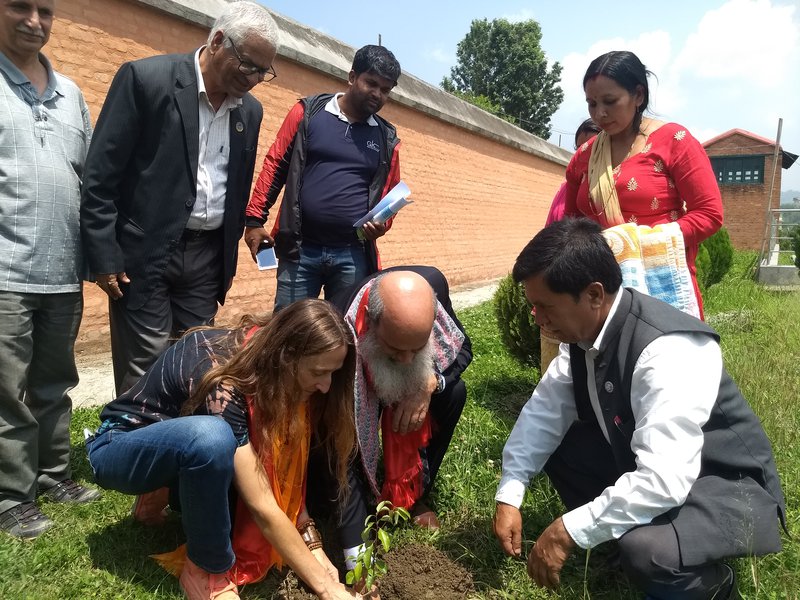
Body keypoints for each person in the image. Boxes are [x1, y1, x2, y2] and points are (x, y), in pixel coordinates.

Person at [493, 218, 786, 599]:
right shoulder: (583, 339)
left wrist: (568, 530)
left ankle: (715, 585)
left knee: (648, 553)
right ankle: (622, 531)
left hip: (721, 485)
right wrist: (509, 494)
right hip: (663, 467)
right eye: (534, 307)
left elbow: (665, 479)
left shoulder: (667, 350)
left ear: (594, 295)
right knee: (556, 444)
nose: (538, 319)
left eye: (545, 307)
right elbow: (542, 414)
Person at [87, 299, 361, 600]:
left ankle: (160, 491)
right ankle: (205, 571)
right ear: (287, 355)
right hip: (118, 444)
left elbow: (282, 469)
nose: (326, 385)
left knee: (215, 448)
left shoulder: (269, 365)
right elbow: (262, 502)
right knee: (211, 438)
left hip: (172, 444)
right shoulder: (224, 382)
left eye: (332, 373)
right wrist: (326, 588)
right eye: (319, 372)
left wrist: (313, 545)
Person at [80, 2, 279, 395]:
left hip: (207, 260)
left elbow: (236, 183)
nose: (255, 78)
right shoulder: (146, 80)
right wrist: (104, 254)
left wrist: (242, 231)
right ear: (218, 41)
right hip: (145, 254)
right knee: (145, 370)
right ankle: (136, 450)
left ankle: (180, 452)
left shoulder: (249, 112)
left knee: (194, 364)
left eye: (264, 70)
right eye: (249, 65)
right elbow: (100, 177)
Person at [0, 0, 100, 540]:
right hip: (5, 272)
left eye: (46, 10)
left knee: (55, 383)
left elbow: (88, 178)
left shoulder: (72, 96)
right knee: (5, 390)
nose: (34, 20)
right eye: (20, 6)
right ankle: (11, 496)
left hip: (63, 271)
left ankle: (53, 475)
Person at [317, 267, 471, 568]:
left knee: (453, 392)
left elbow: (462, 347)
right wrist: (357, 558)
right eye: (395, 349)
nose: (407, 360)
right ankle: (365, 495)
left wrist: (428, 384)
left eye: (418, 347)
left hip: (410, 378)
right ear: (372, 325)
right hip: (353, 381)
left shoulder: (433, 289)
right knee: (342, 455)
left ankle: (413, 494)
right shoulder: (340, 328)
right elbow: (344, 445)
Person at [563, 50, 723, 317]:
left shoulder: (674, 141)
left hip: (662, 283)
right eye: (591, 103)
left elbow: (709, 214)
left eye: (610, 101)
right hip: (600, 288)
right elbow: (570, 222)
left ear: (638, 95)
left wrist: (641, 242)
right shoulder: (585, 156)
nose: (599, 113)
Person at [243, 44, 402, 312]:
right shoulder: (308, 113)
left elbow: (390, 193)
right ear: (352, 77)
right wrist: (254, 219)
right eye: (371, 83)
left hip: (352, 255)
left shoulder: (386, 138)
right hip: (300, 250)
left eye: (385, 90)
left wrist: (381, 225)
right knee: (289, 330)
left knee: (345, 333)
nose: (377, 94)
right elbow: (276, 164)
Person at [540, 118, 602, 373]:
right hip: (557, 292)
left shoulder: (610, 192)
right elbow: (549, 237)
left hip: (590, 303)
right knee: (555, 374)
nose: (583, 154)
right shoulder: (565, 189)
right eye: (578, 148)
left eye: (591, 147)